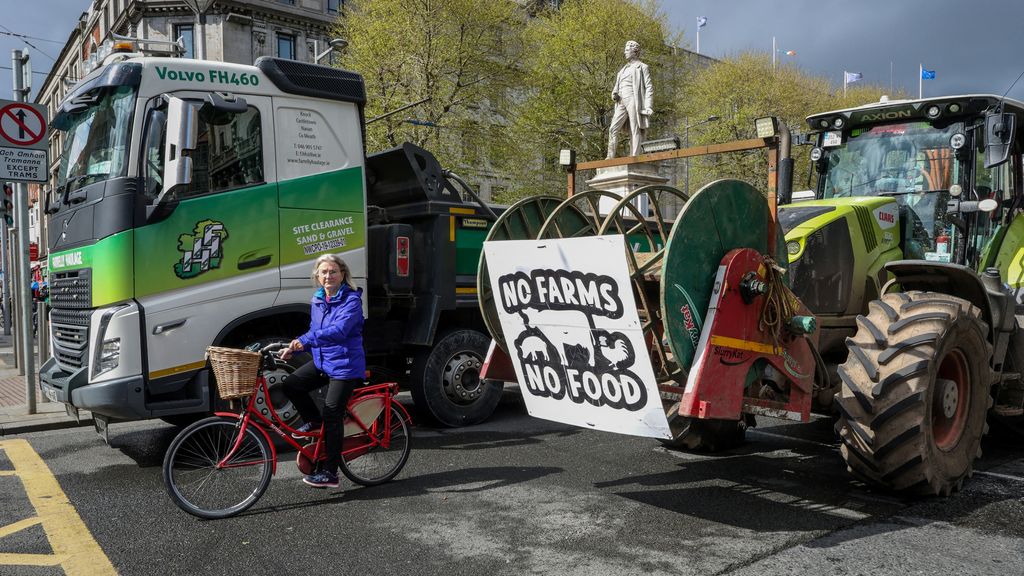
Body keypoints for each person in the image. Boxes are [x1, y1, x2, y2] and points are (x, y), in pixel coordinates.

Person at [281, 254, 366, 488]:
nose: (328, 276)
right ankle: (313, 422)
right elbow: (315, 331)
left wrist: (302, 342)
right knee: (290, 385)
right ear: (317, 276)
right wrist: (294, 349)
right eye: (324, 272)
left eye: (333, 271)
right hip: (323, 361)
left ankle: (330, 472)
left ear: (342, 275)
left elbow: (338, 331)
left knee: (332, 415)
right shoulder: (318, 299)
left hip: (344, 366)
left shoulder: (351, 301)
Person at [606, 40, 654, 159]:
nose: (625, 52)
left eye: (627, 50)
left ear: (635, 51)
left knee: (635, 128)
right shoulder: (622, 70)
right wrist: (614, 95)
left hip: (634, 99)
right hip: (621, 101)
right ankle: (610, 156)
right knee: (613, 128)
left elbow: (649, 87)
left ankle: (634, 156)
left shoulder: (642, 67)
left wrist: (648, 106)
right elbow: (615, 88)